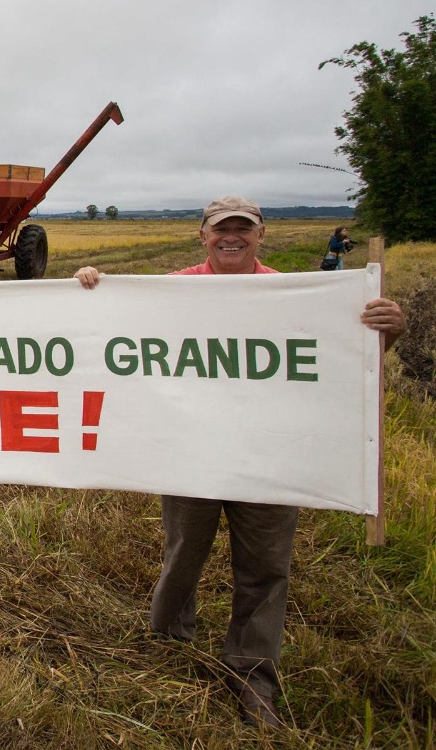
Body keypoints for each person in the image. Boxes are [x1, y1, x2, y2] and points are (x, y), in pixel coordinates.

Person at [74, 195, 407, 728]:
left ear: (261, 235)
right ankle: (168, 645)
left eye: (243, 229)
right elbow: (111, 326)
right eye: (220, 228)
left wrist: (386, 330)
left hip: (268, 456)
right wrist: (94, 287)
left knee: (265, 570)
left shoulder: (293, 294)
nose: (232, 236)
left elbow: (344, 360)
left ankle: (253, 677)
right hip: (189, 452)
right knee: (183, 552)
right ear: (202, 236)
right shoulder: (176, 286)